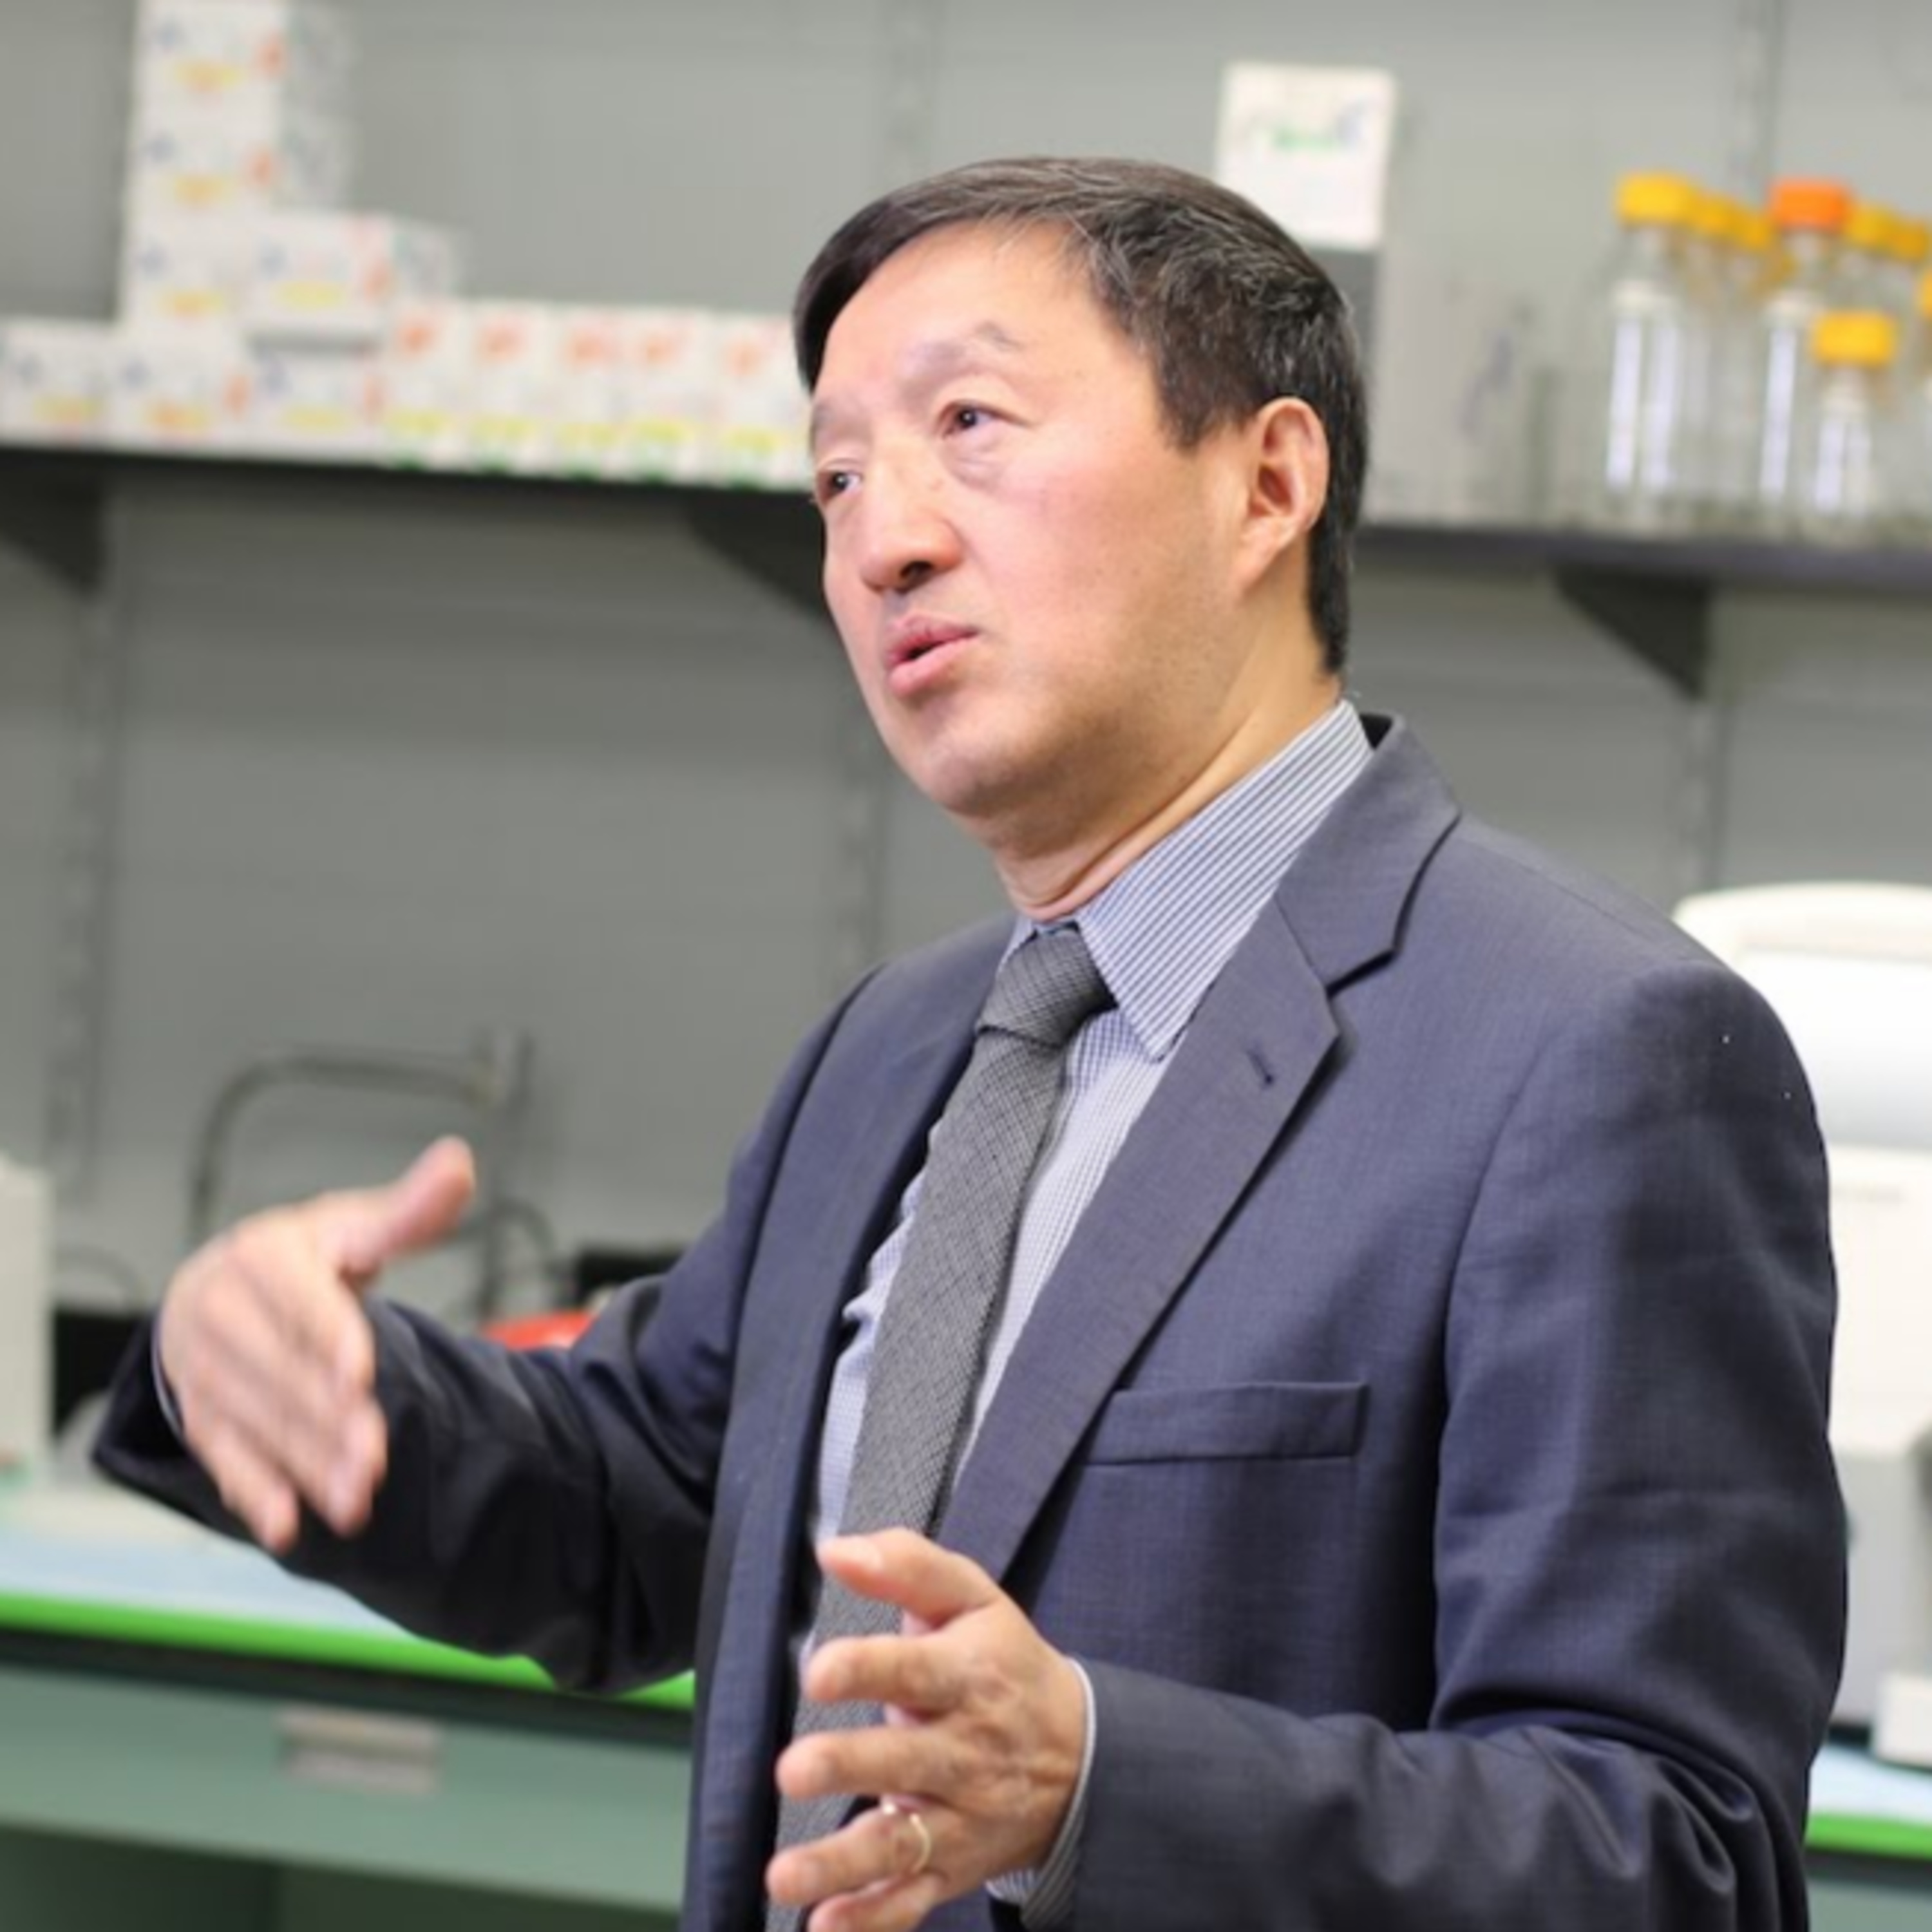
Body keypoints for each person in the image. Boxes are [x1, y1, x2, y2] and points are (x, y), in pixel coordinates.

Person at [96, 156, 1844, 1932]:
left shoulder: (1599, 1056)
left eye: (971, 426)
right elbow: (651, 1497)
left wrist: (1098, 1786)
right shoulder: (902, 1045)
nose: (886, 540)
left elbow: (1678, 1855)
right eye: (837, 477)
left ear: (1267, 482)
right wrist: (273, 1372)